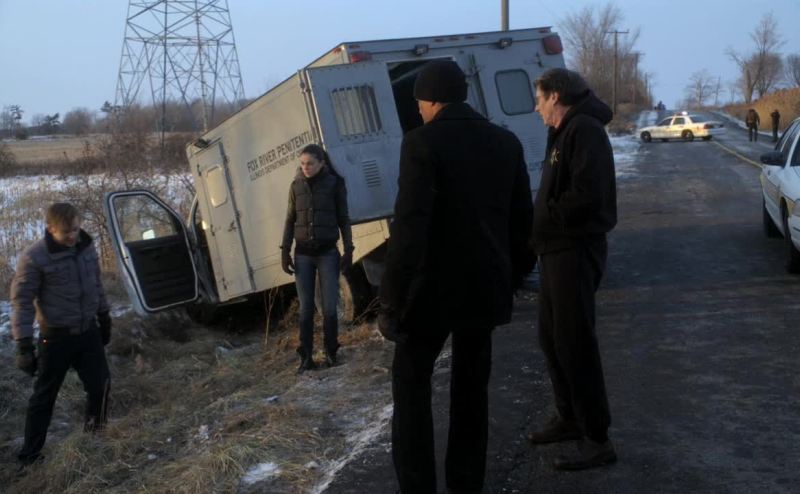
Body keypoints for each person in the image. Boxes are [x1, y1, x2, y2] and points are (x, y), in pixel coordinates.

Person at [377, 60, 534, 494]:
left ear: (430, 100)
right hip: (484, 290)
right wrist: (512, 275)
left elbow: (410, 226)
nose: (419, 110)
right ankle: (466, 484)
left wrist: (391, 299)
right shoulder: (506, 141)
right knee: (471, 393)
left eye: (419, 103)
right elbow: (522, 219)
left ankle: (418, 485)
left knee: (411, 390)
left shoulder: (421, 142)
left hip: (428, 294)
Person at [528, 68, 618, 470]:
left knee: (575, 342)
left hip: (574, 249)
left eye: (539, 99)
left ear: (556, 96)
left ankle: (597, 437)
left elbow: (588, 195)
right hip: (555, 249)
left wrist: (546, 217)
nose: (536, 108)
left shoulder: (585, 131)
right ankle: (569, 417)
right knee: (552, 338)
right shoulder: (563, 131)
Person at [11, 202, 112, 467]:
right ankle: (30, 456)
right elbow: (22, 302)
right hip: (55, 337)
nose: (72, 236)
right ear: (50, 229)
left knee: (100, 386)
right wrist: (23, 344)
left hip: (88, 331)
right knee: (44, 397)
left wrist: (104, 316)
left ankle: (94, 438)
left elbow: (96, 284)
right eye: (65, 232)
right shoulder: (34, 257)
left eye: (75, 230)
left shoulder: (86, 247)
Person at [281, 144, 353, 373]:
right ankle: (306, 359)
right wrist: (285, 250)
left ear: (321, 163)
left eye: (310, 163)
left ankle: (331, 353)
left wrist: (349, 248)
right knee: (306, 309)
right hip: (303, 254)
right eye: (302, 164)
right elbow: (290, 219)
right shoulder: (295, 186)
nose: (306, 167)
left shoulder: (334, 184)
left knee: (329, 307)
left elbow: (343, 217)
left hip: (327, 253)